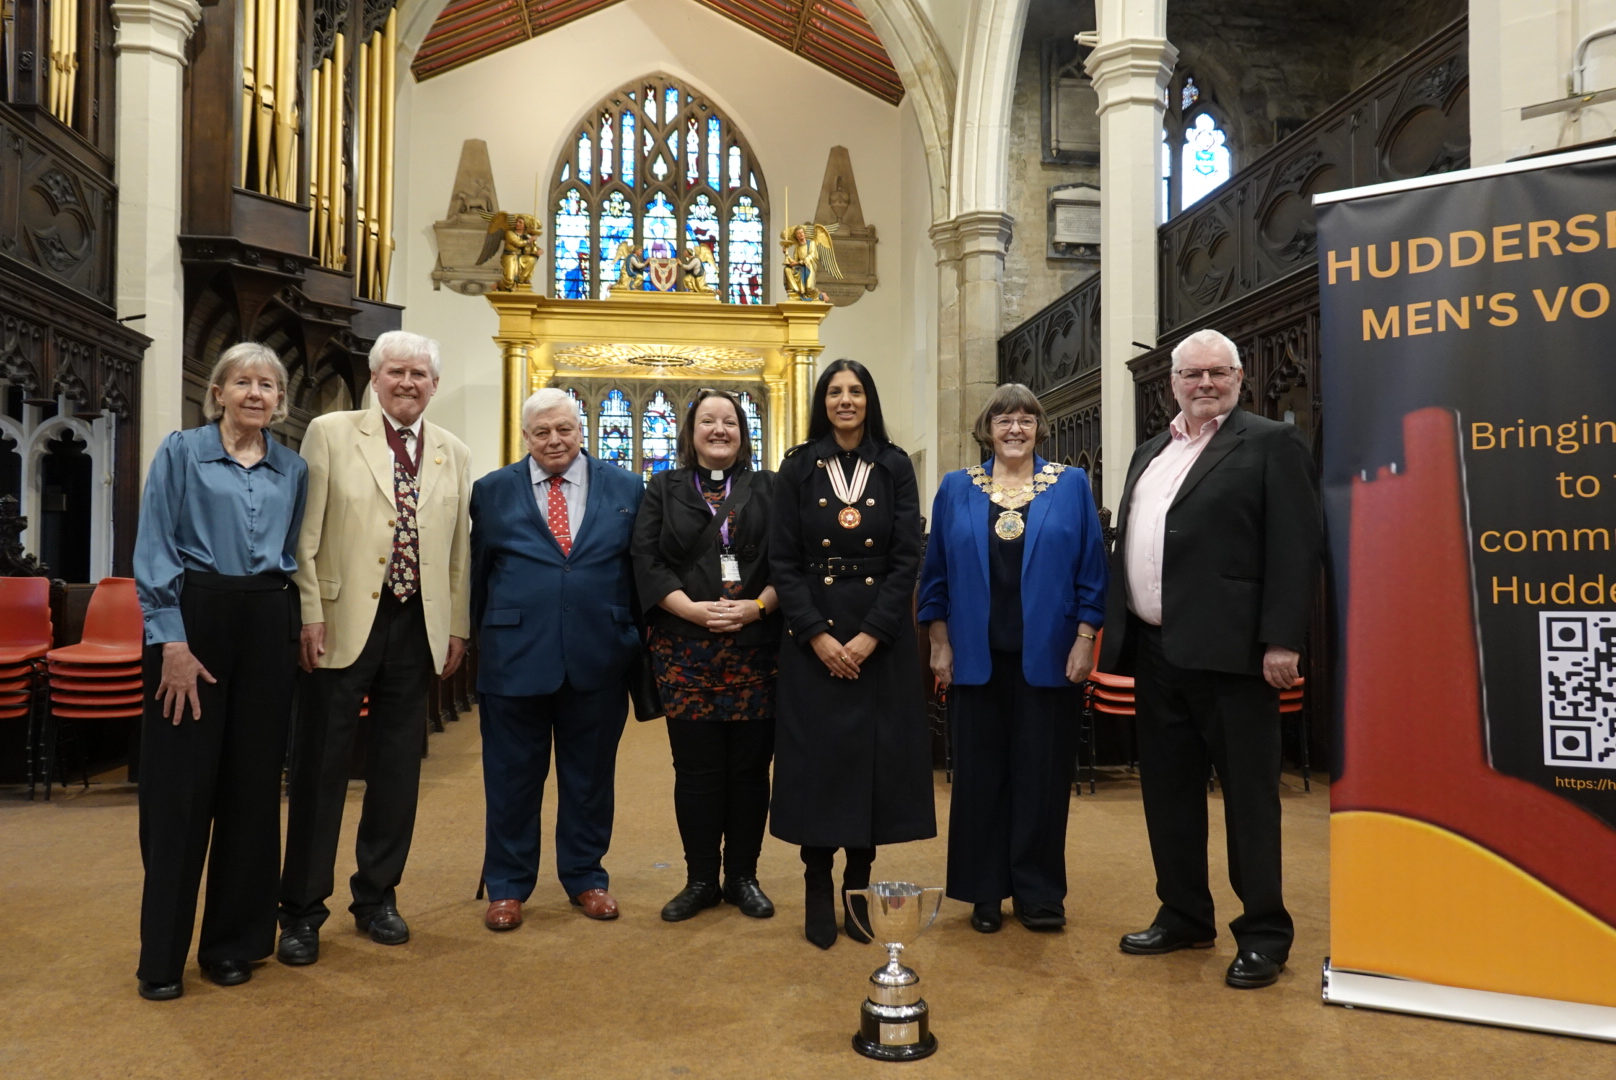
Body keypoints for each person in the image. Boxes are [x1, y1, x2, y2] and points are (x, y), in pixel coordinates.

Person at [1099, 327, 1321, 990]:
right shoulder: (1150, 451)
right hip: (1157, 650)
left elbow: (1295, 546)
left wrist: (1283, 638)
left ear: (1238, 378)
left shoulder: (1270, 444)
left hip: (1235, 656)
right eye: (1191, 375)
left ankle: (1263, 933)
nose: (1204, 384)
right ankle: (1184, 913)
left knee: (1250, 798)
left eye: (1216, 374)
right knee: (1167, 794)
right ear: (1172, 383)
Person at [277, 330, 472, 965]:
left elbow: (457, 555)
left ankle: (378, 897)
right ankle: (302, 911)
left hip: (416, 626)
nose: (408, 382)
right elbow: (305, 535)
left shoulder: (453, 452)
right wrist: (309, 612)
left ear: (434, 384)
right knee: (321, 766)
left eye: (419, 373)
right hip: (341, 623)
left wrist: (456, 627)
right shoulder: (332, 432)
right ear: (375, 376)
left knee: (395, 769)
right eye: (396, 372)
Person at [133, 342, 307, 1000]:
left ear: (280, 402)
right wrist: (171, 641)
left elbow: (295, 554)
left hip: (266, 619)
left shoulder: (293, 468)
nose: (256, 393)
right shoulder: (181, 452)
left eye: (268, 384)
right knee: (179, 794)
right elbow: (154, 547)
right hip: (193, 621)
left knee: (252, 789)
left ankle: (233, 944)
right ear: (218, 392)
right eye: (243, 382)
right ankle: (162, 957)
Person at [918, 384, 1108, 934]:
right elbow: (935, 577)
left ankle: (1038, 891)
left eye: (1026, 418)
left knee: (1042, 776)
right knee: (979, 778)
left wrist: (1085, 637)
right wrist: (938, 641)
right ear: (987, 429)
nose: (1015, 428)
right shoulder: (956, 488)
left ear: (1039, 428)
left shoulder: (1070, 484)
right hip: (975, 659)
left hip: (1050, 658)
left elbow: (1092, 571)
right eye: (1003, 419)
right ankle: (984, 890)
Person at [769, 359, 936, 949]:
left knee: (873, 765)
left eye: (856, 391)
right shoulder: (797, 467)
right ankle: (818, 883)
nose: (845, 400)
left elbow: (905, 558)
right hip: (811, 641)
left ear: (869, 400)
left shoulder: (893, 466)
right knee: (818, 764)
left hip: (877, 643)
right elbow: (783, 562)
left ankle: (857, 888)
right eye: (835, 391)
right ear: (824, 401)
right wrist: (816, 633)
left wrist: (871, 636)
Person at [471, 388, 645, 932]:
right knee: (510, 777)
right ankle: (507, 886)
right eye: (541, 431)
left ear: (581, 429)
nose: (554, 440)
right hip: (514, 656)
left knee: (590, 778)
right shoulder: (491, 491)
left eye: (564, 429)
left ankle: (587, 877)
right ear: (525, 436)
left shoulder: (626, 486)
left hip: (599, 653)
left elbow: (637, 571)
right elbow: (477, 576)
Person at [632, 390, 781, 923]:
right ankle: (700, 879)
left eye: (730, 421)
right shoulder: (663, 488)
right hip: (686, 651)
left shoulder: (768, 487)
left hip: (756, 651)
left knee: (748, 770)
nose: (720, 429)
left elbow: (788, 563)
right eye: (708, 421)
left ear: (743, 432)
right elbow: (646, 561)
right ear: (690, 432)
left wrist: (756, 610)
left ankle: (743, 876)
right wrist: (694, 612)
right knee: (695, 771)